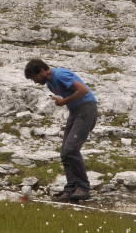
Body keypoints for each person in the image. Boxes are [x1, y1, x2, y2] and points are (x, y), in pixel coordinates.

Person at [24, 58, 98, 203]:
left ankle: (83, 188)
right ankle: (71, 190)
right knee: (65, 152)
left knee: (71, 149)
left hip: (86, 109)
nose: (35, 81)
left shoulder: (59, 75)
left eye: (34, 77)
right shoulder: (50, 83)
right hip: (75, 112)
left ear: (41, 71)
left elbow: (83, 90)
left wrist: (63, 101)